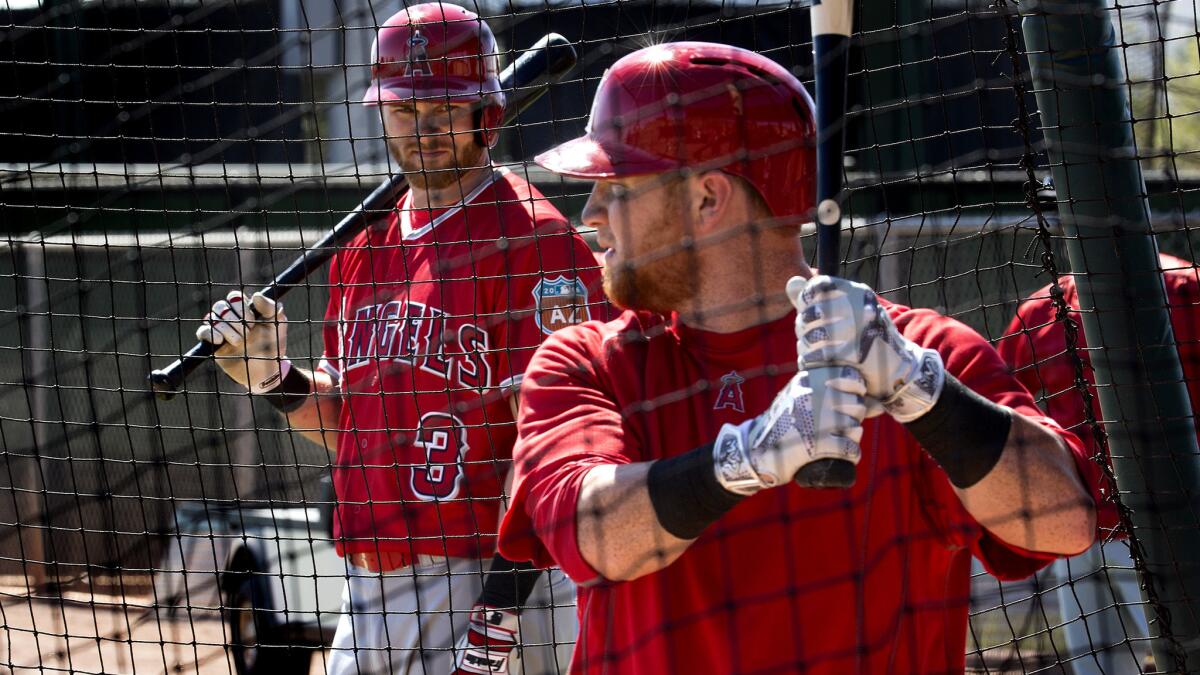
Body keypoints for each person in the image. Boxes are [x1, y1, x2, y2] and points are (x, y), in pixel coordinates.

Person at [496, 41, 1107, 674]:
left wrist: (923, 395)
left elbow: (1062, 523)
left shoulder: (914, 349)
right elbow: (592, 536)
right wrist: (752, 454)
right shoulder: (588, 361)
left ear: (708, 199)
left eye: (616, 186)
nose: (590, 212)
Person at [196, 5, 597, 673]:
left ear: (485, 112)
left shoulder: (534, 240)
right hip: (371, 585)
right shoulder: (366, 246)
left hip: (499, 579)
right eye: (405, 108)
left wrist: (498, 613)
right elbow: (349, 426)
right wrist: (275, 378)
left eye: (445, 104)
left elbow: (557, 450)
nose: (425, 127)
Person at [998, 251, 1200, 533]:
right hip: (1084, 524)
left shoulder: (1189, 289)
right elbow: (1002, 401)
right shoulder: (1042, 310)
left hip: (1181, 521)